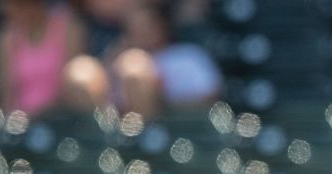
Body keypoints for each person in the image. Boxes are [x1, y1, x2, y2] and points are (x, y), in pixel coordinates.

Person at [62, 0, 222, 120]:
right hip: (127, 135)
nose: (143, 33)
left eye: (148, 26)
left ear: (161, 27)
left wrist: (161, 105)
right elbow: (107, 104)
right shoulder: (121, 62)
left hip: (181, 133)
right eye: (136, 28)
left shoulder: (188, 56)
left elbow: (210, 100)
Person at [0, 0, 88, 116]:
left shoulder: (69, 29)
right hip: (21, 123)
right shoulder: (6, 40)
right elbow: (7, 93)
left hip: (62, 120)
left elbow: (74, 86)